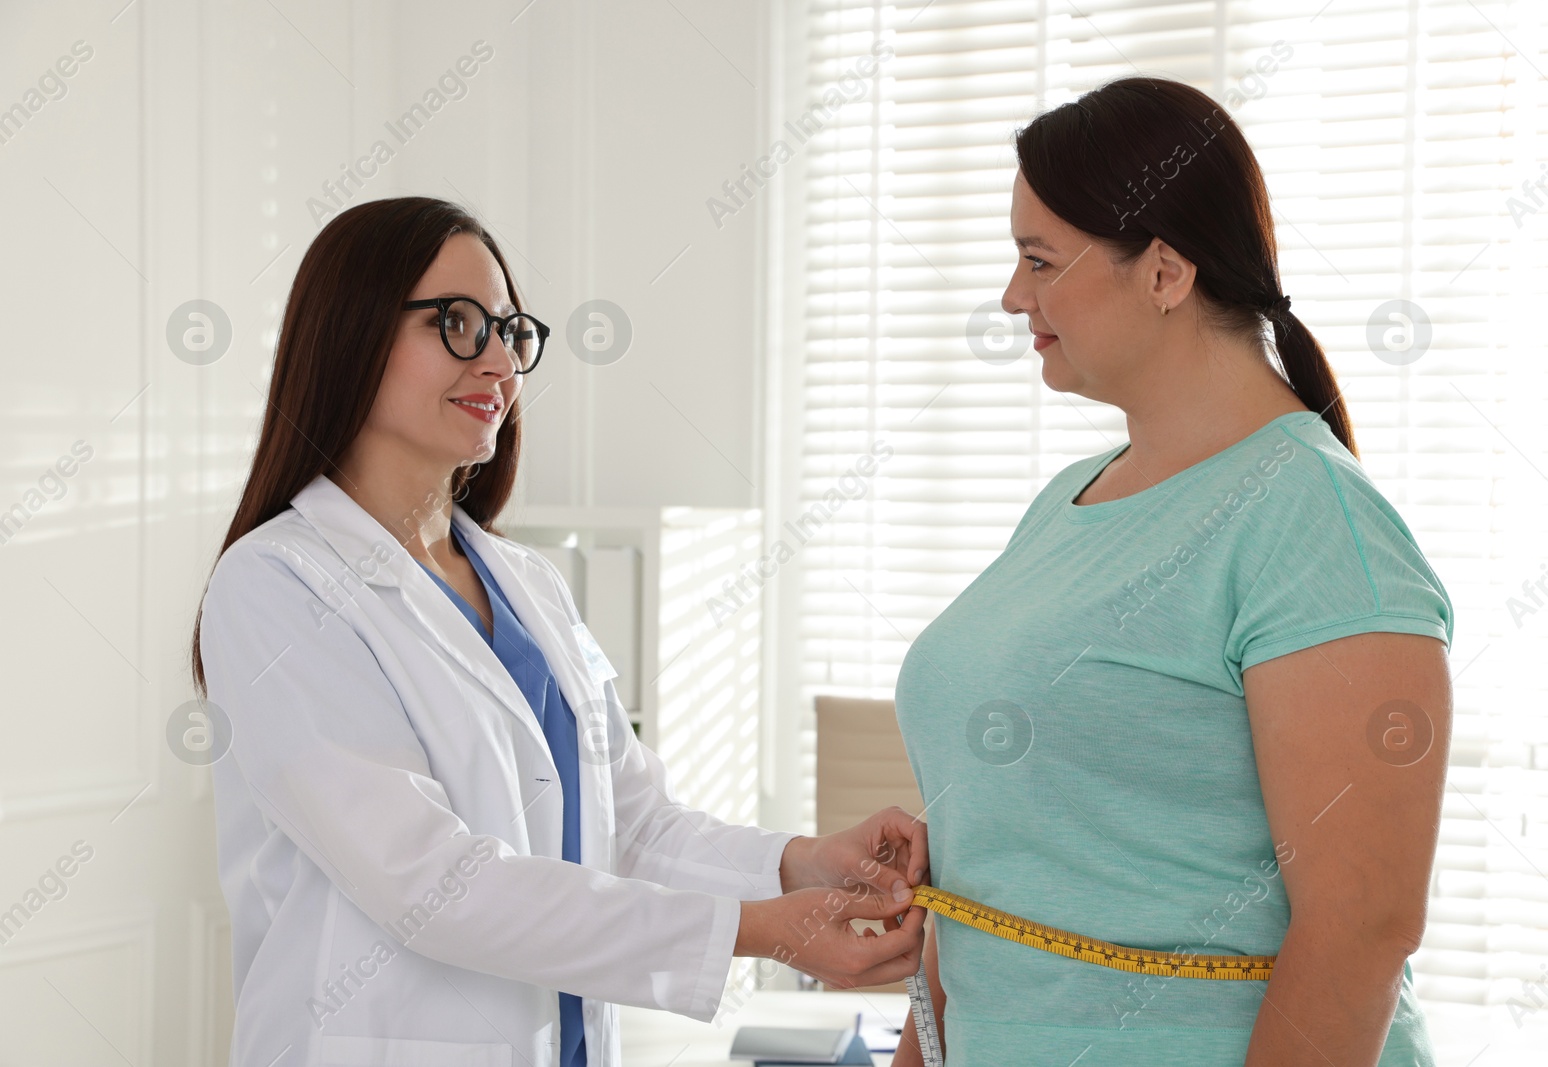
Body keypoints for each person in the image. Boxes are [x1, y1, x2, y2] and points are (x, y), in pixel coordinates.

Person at [191, 196, 926, 1067]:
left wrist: (802, 865)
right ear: (350, 332)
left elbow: (634, 824)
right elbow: (430, 883)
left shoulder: (527, 581)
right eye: (458, 323)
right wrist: (761, 931)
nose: (500, 359)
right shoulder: (274, 585)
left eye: (510, 329)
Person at [890, 76, 1453, 1067]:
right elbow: (990, 883)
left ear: (1163, 271)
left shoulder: (1314, 520)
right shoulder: (1068, 498)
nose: (1014, 295)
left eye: (1039, 260)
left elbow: (1361, 924)